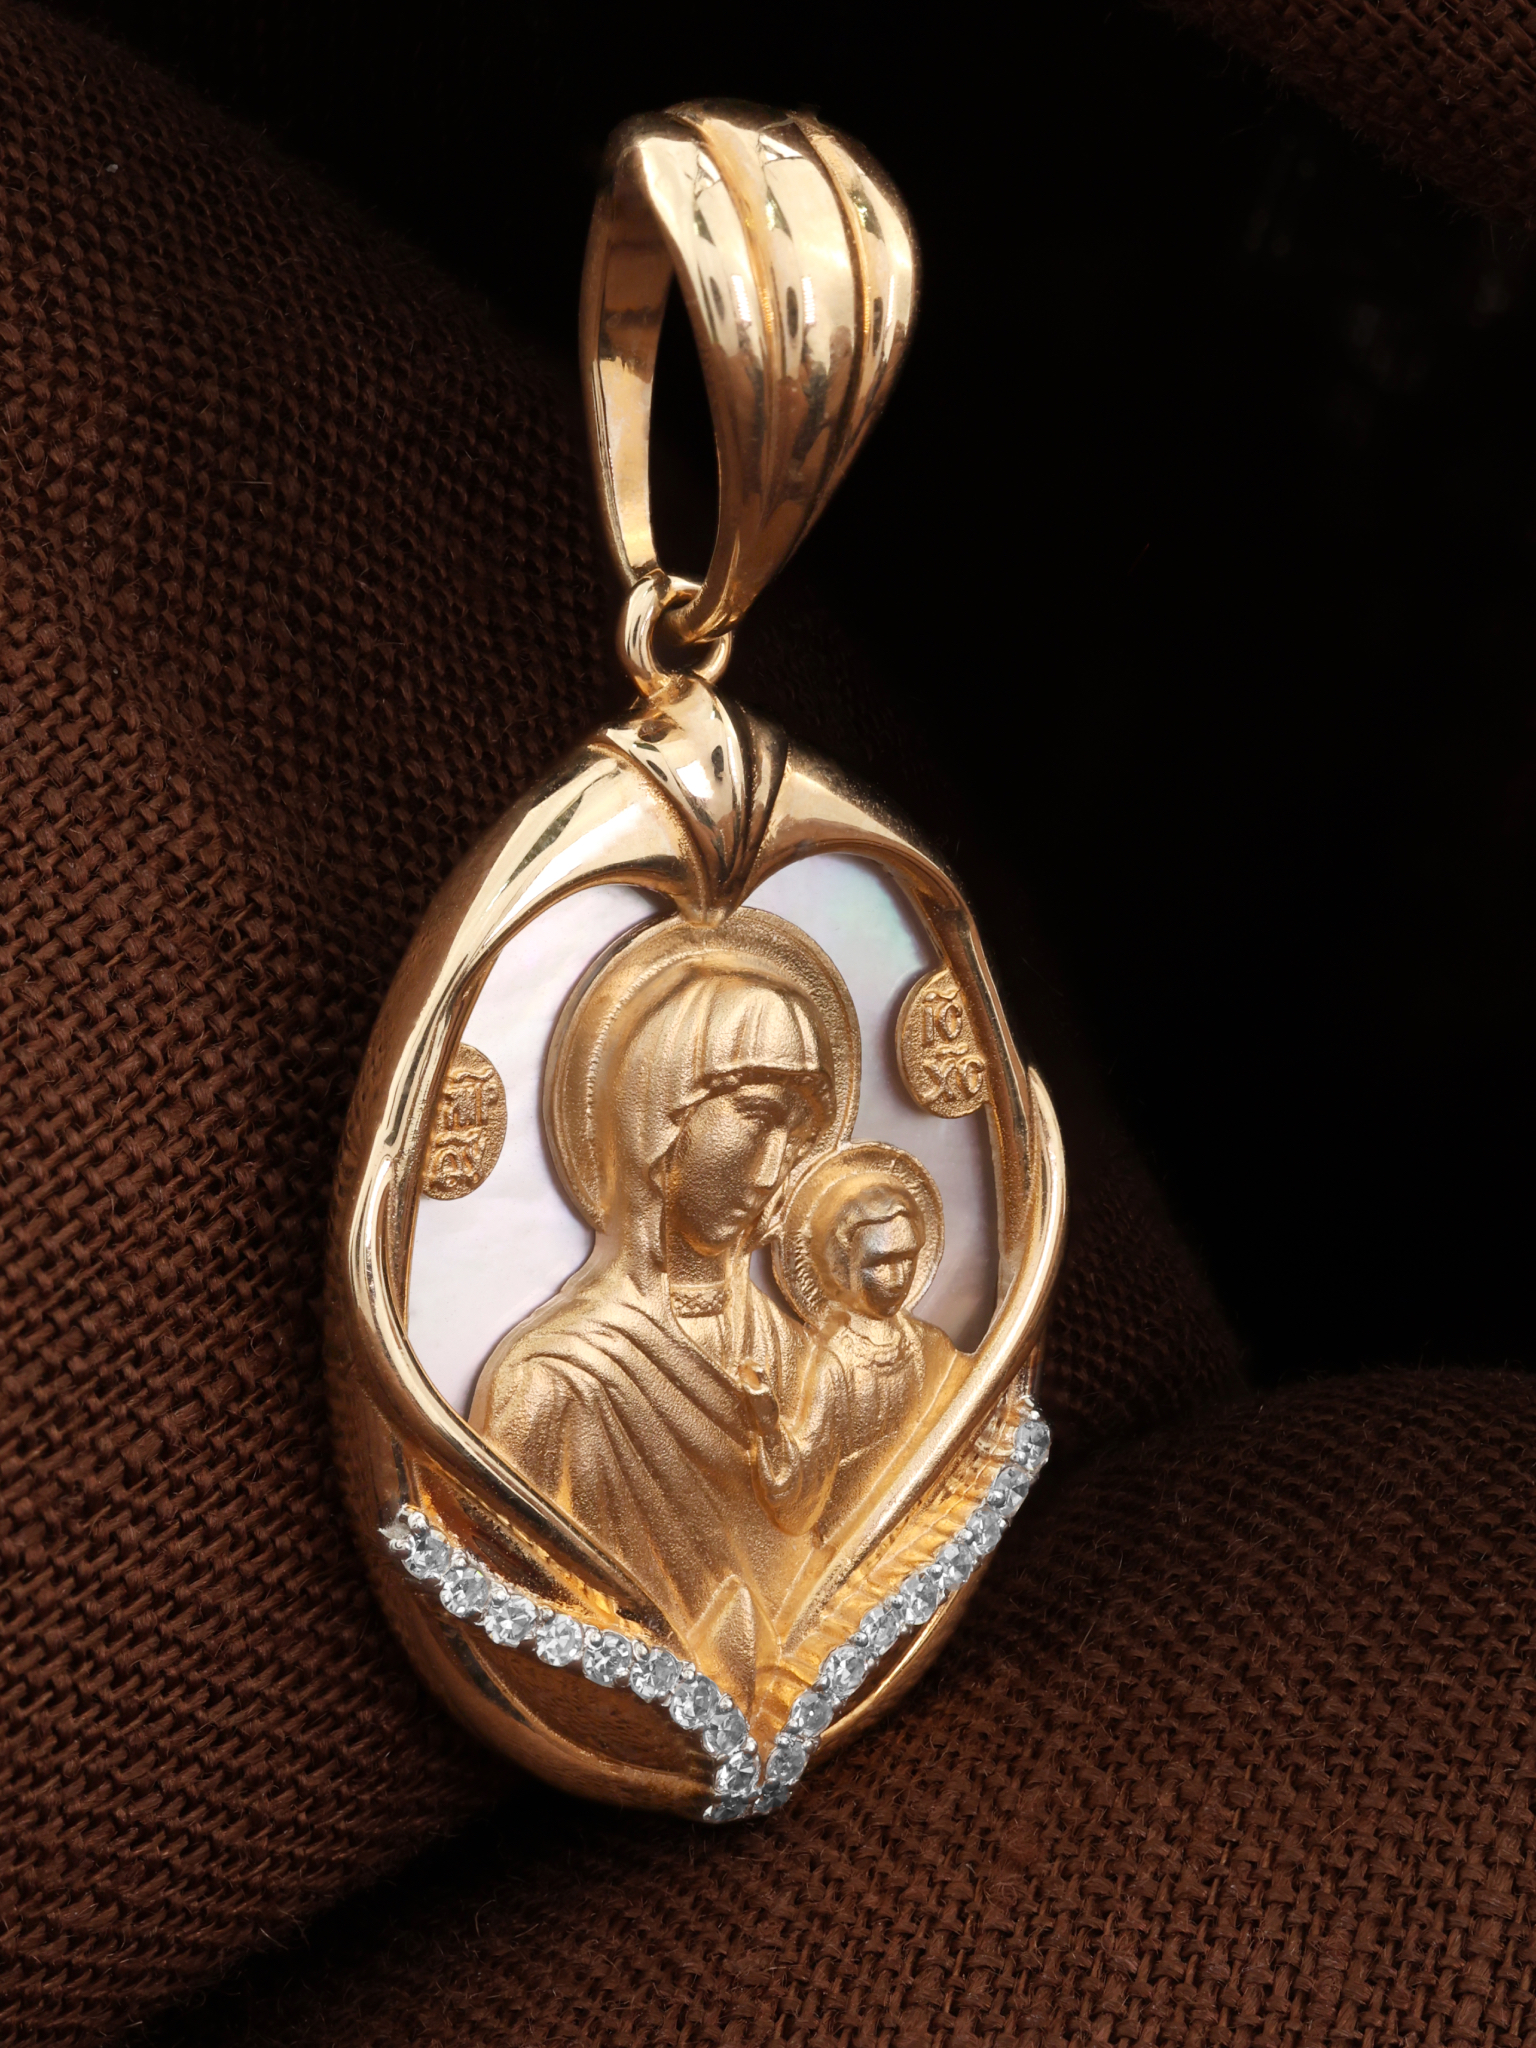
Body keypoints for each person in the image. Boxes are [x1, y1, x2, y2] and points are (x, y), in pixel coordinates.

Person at [469, 907, 859, 1710]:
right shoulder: (555, 1384)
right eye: (755, 1121)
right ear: (660, 1117)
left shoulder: (794, 1351)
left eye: (796, 1138)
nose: (776, 1169)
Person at [745, 1147, 962, 1545]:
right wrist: (771, 1430)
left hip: (926, 1521)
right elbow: (806, 1475)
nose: (898, 1277)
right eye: (880, 1262)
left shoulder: (931, 1346)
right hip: (853, 1537)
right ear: (842, 1267)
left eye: (907, 1258)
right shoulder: (835, 1366)